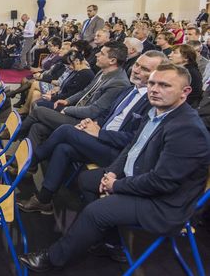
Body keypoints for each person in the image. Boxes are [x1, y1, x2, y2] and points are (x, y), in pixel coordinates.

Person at [19, 63, 210, 272]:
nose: (155, 89)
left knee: (97, 212)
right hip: (140, 177)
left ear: (185, 92)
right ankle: (109, 241)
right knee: (87, 180)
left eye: (164, 85)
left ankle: (53, 258)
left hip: (164, 204)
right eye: (152, 83)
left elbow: (162, 182)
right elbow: (131, 148)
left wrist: (116, 185)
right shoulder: (157, 112)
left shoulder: (187, 130)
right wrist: (112, 172)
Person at [16, 51, 167, 215]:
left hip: (119, 153)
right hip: (102, 139)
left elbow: (134, 140)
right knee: (63, 148)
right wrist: (92, 123)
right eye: (137, 64)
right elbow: (107, 114)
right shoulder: (130, 90)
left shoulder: (153, 102)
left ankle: (28, 162)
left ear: (158, 75)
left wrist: (99, 133)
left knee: (65, 130)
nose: (136, 70)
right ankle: (44, 200)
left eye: (144, 69)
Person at [17, 41, 130, 145]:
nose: (96, 55)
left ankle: (14, 135)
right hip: (78, 110)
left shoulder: (118, 83)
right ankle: (26, 156)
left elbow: (93, 111)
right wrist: (67, 101)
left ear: (112, 60)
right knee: (38, 127)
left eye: (101, 53)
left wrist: (67, 109)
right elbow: (85, 91)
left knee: (39, 110)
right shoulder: (103, 71)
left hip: (85, 121)